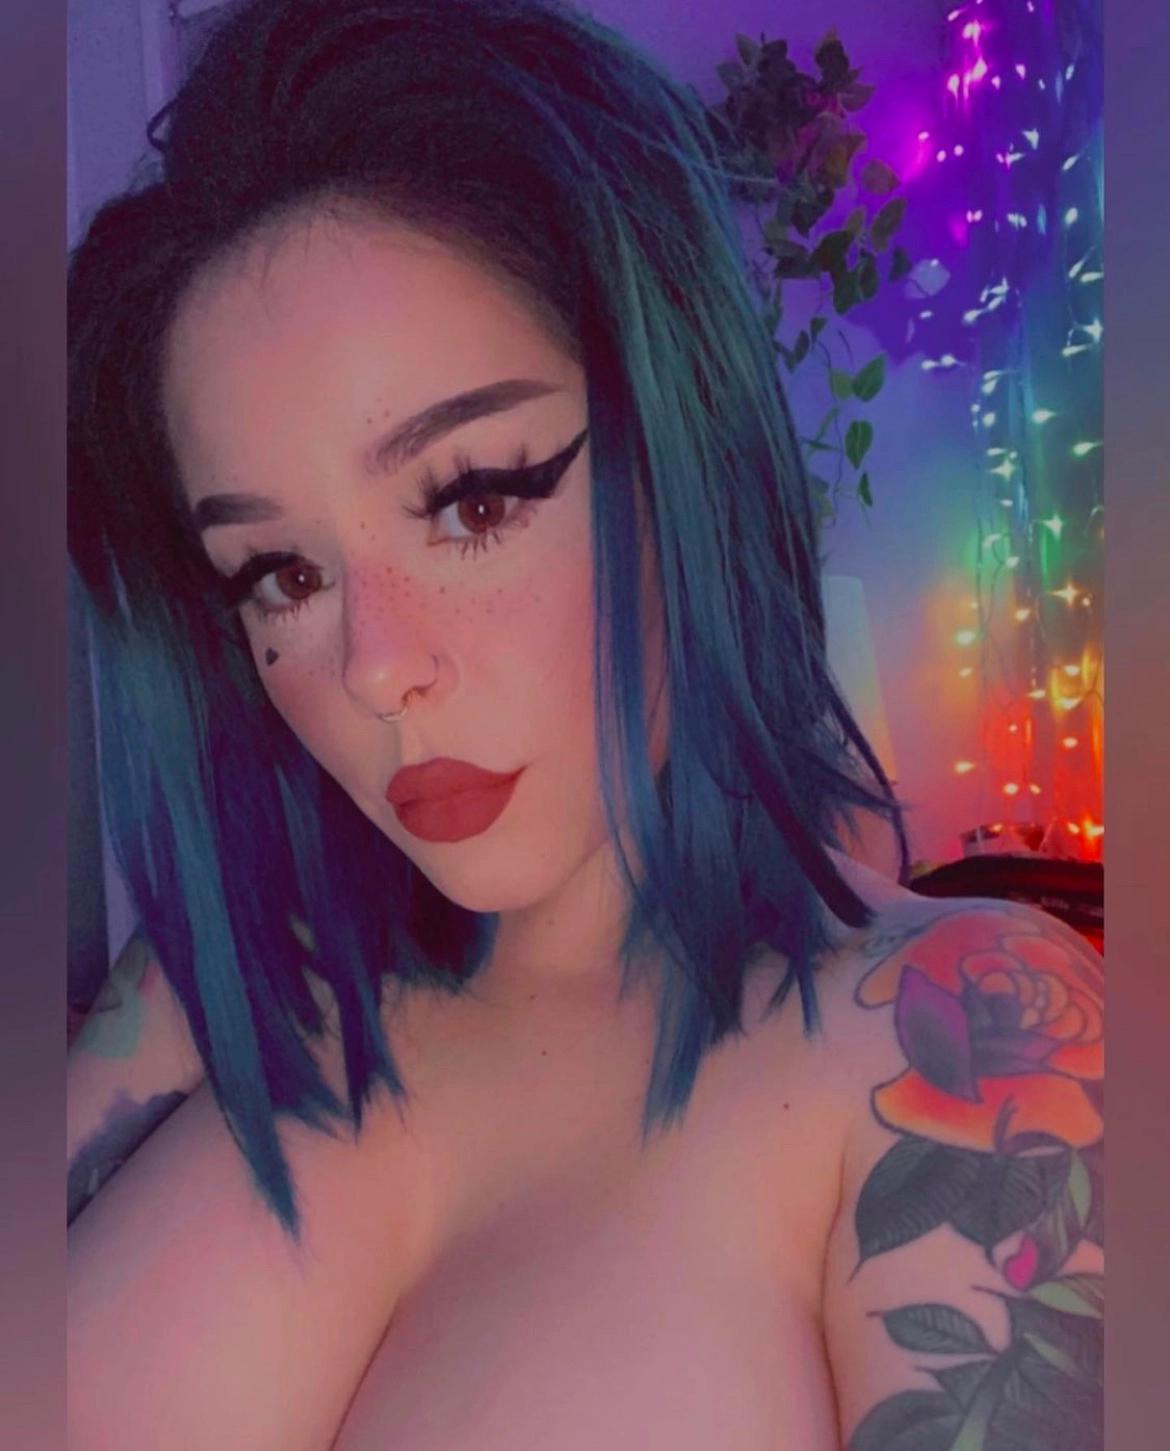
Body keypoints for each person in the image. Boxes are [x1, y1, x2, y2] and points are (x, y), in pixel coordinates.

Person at [66, 2, 1105, 1447]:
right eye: (280, 576)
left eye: (473, 499)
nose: (376, 670)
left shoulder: (964, 1037)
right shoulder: (219, 975)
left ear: (681, 444)